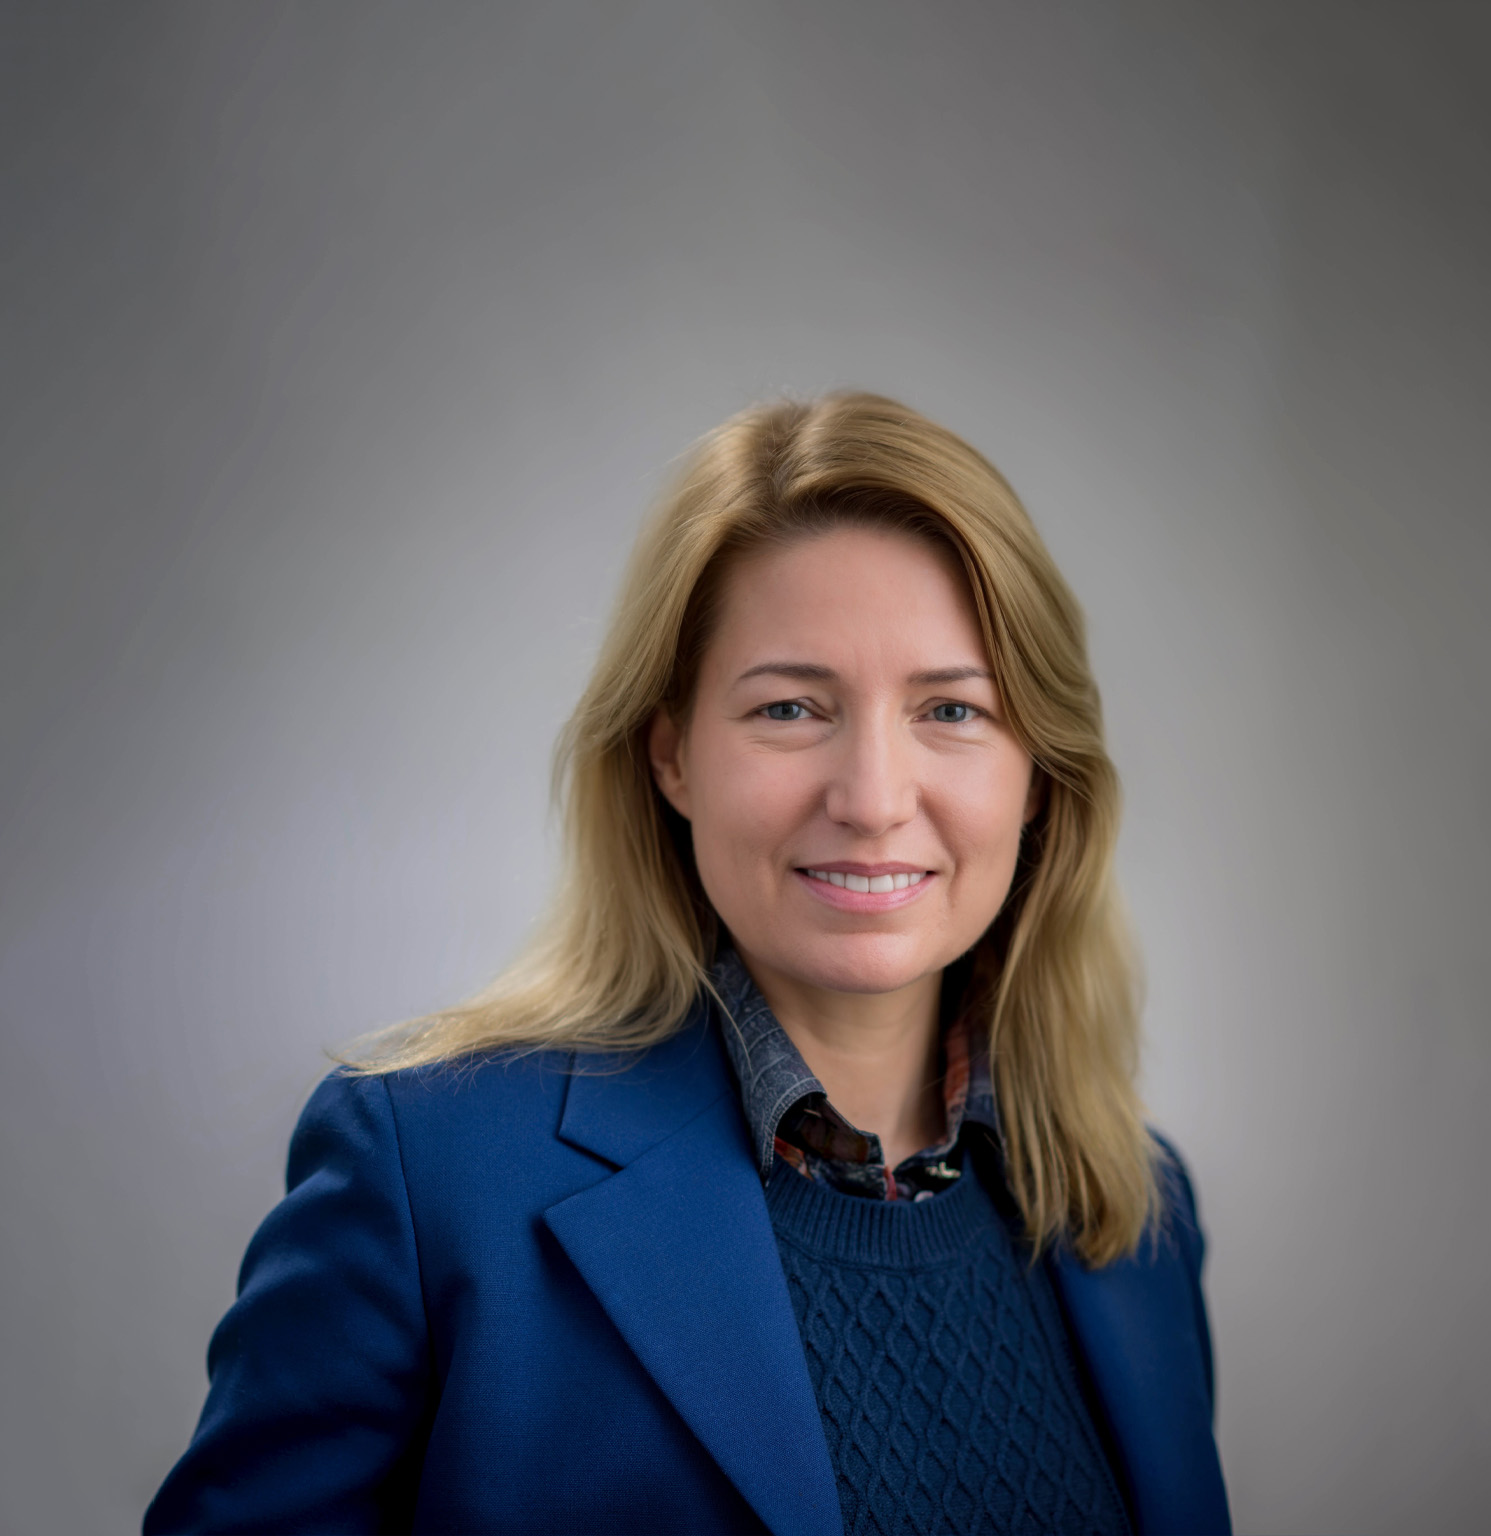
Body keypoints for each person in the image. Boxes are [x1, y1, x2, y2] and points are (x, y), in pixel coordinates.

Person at [145, 393, 1231, 1536]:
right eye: (792, 707)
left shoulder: (1138, 1211)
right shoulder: (429, 1179)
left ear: (1039, 776)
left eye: (951, 709)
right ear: (673, 757)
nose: (870, 800)